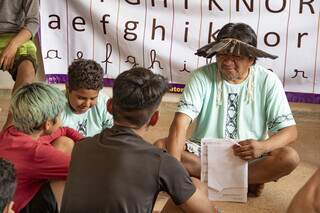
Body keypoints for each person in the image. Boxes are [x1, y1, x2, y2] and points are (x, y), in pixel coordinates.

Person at [162, 22, 300, 196]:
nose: (227, 62)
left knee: (289, 158)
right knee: (161, 148)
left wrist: (263, 146)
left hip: (249, 156)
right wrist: (175, 175)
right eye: (222, 55)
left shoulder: (268, 81)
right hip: (203, 154)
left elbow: (290, 131)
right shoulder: (200, 76)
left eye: (236, 57)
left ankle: (208, 179)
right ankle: (248, 180)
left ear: (251, 59)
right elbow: (180, 124)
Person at [60, 67, 217, 213]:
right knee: (196, 190)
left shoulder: (81, 147)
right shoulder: (160, 160)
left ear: (109, 106)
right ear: (154, 118)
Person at [0, 82, 83, 213]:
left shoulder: (12, 131)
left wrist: (84, 141)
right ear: (48, 124)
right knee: (70, 183)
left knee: (64, 142)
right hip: (15, 209)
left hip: (11, 197)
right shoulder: (36, 153)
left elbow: (62, 130)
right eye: (59, 115)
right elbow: (86, 172)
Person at [0, 0, 39, 131]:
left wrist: (13, 46)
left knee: (27, 70)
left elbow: (33, 22)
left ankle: (9, 128)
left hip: (17, 36)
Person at [60, 59, 113, 137]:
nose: (87, 104)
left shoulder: (104, 102)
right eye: (81, 98)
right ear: (68, 88)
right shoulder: (56, 106)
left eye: (93, 98)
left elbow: (113, 136)